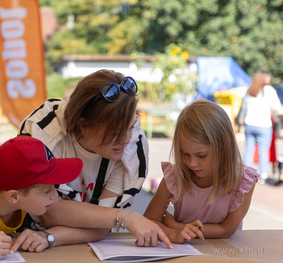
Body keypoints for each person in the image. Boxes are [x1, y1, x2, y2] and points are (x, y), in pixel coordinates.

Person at [0, 136, 172, 260]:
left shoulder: (17, 201)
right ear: (14, 196)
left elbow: (94, 229)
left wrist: (49, 237)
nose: (56, 194)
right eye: (48, 190)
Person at [16, 69, 153, 243]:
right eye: (116, 133)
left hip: (51, 241)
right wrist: (125, 217)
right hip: (22, 234)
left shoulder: (133, 147)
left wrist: (50, 237)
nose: (126, 140)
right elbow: (48, 212)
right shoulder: (44, 132)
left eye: (132, 126)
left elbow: (100, 227)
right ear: (83, 125)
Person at [144, 100, 259, 244]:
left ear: (223, 147)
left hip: (224, 254)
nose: (192, 163)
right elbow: (149, 220)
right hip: (182, 253)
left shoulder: (243, 180)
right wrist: (174, 234)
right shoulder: (175, 176)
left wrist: (176, 226)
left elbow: (227, 230)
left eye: (201, 155)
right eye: (185, 154)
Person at [243, 70, 283, 184]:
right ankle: (263, 176)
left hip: (249, 124)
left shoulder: (250, 89)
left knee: (248, 150)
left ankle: (245, 174)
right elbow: (277, 107)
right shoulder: (268, 90)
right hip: (264, 125)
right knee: (263, 151)